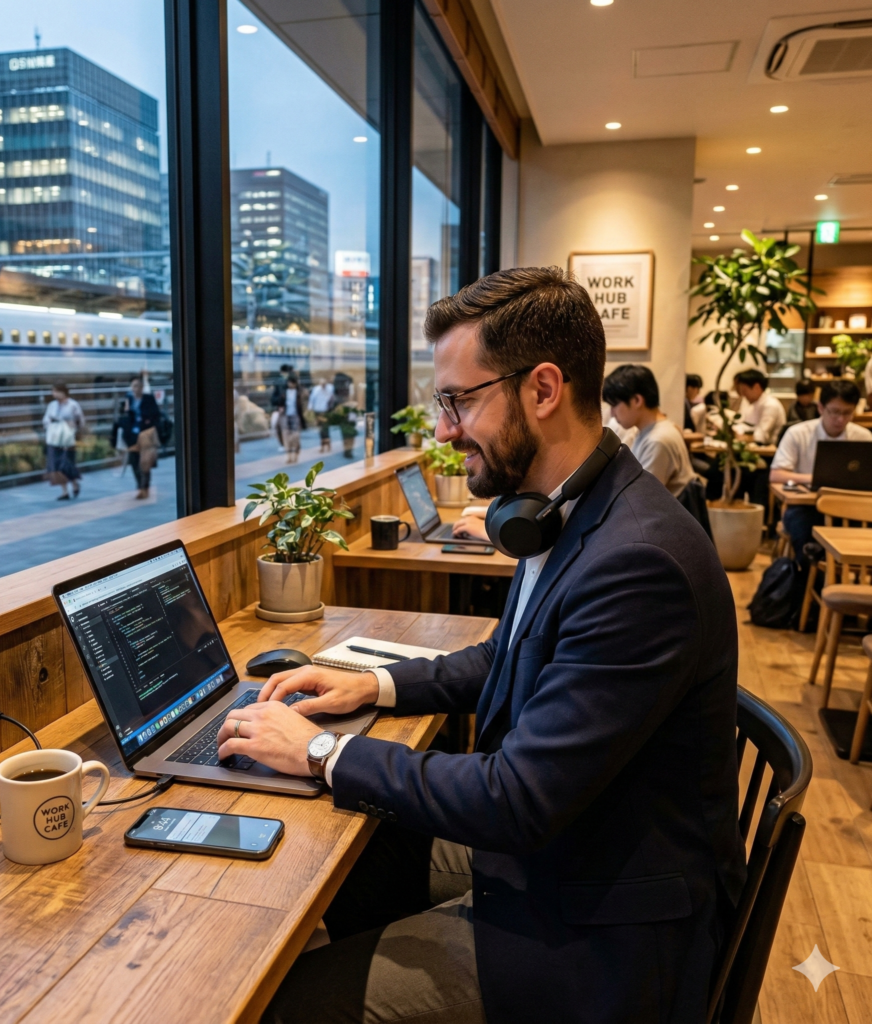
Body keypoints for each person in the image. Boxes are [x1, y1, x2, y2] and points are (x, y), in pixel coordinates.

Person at [217, 267, 745, 1024]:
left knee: (279, 1004)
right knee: (367, 856)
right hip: (571, 848)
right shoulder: (569, 509)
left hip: (604, 929)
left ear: (542, 389)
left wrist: (319, 753)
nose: (441, 430)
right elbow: (508, 656)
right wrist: (375, 687)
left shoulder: (638, 563)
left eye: (459, 401)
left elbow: (517, 799)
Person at [770, 379, 872, 557]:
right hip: (809, 507)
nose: (840, 419)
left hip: (853, 508)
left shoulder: (863, 437)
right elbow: (776, 474)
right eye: (835, 412)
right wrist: (814, 478)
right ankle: (813, 578)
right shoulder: (798, 433)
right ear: (821, 408)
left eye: (847, 413)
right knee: (802, 529)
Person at [603, 364, 695, 497]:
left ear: (637, 400)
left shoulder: (657, 440)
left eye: (614, 405)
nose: (612, 414)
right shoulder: (648, 431)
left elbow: (641, 497)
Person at [117, 375, 160, 499]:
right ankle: (139, 486)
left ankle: (144, 487)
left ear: (142, 387)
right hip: (131, 434)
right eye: (133, 386)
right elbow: (123, 417)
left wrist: (147, 422)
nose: (136, 388)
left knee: (145, 462)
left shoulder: (148, 398)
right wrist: (126, 410)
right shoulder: (128, 399)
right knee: (134, 462)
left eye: (138, 386)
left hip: (145, 434)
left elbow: (155, 415)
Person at [42, 384, 84, 500]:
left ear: (63, 392)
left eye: (56, 391)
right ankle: (65, 491)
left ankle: (74, 483)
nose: (54, 394)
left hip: (67, 437)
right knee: (55, 465)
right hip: (54, 437)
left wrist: (72, 426)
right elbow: (46, 420)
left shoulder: (73, 405)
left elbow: (80, 420)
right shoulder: (52, 405)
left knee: (67, 463)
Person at [733, 369, 785, 444]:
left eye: (744, 390)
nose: (743, 394)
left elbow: (761, 436)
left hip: (768, 452)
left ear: (756, 387)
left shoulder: (770, 405)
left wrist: (741, 437)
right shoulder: (751, 403)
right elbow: (742, 425)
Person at [282, 372, 307, 464]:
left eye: (292, 382)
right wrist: (280, 407)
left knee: (295, 437)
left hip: (296, 416)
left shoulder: (300, 392)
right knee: (287, 438)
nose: (290, 384)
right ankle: (289, 457)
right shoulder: (284, 391)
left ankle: (295, 455)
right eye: (289, 382)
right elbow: (276, 400)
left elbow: (304, 404)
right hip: (286, 415)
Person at [269, 364, 293, 451]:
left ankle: (285, 444)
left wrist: (279, 405)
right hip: (284, 408)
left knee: (279, 426)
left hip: (282, 408)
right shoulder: (285, 381)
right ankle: (287, 444)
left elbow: (275, 396)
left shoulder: (280, 381)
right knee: (284, 427)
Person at [309, 377, 336, 453]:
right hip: (318, 411)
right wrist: (310, 408)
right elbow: (312, 399)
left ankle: (328, 445)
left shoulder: (330, 388)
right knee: (321, 429)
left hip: (326, 411)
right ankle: (323, 446)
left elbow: (331, 397)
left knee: (325, 428)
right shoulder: (316, 389)